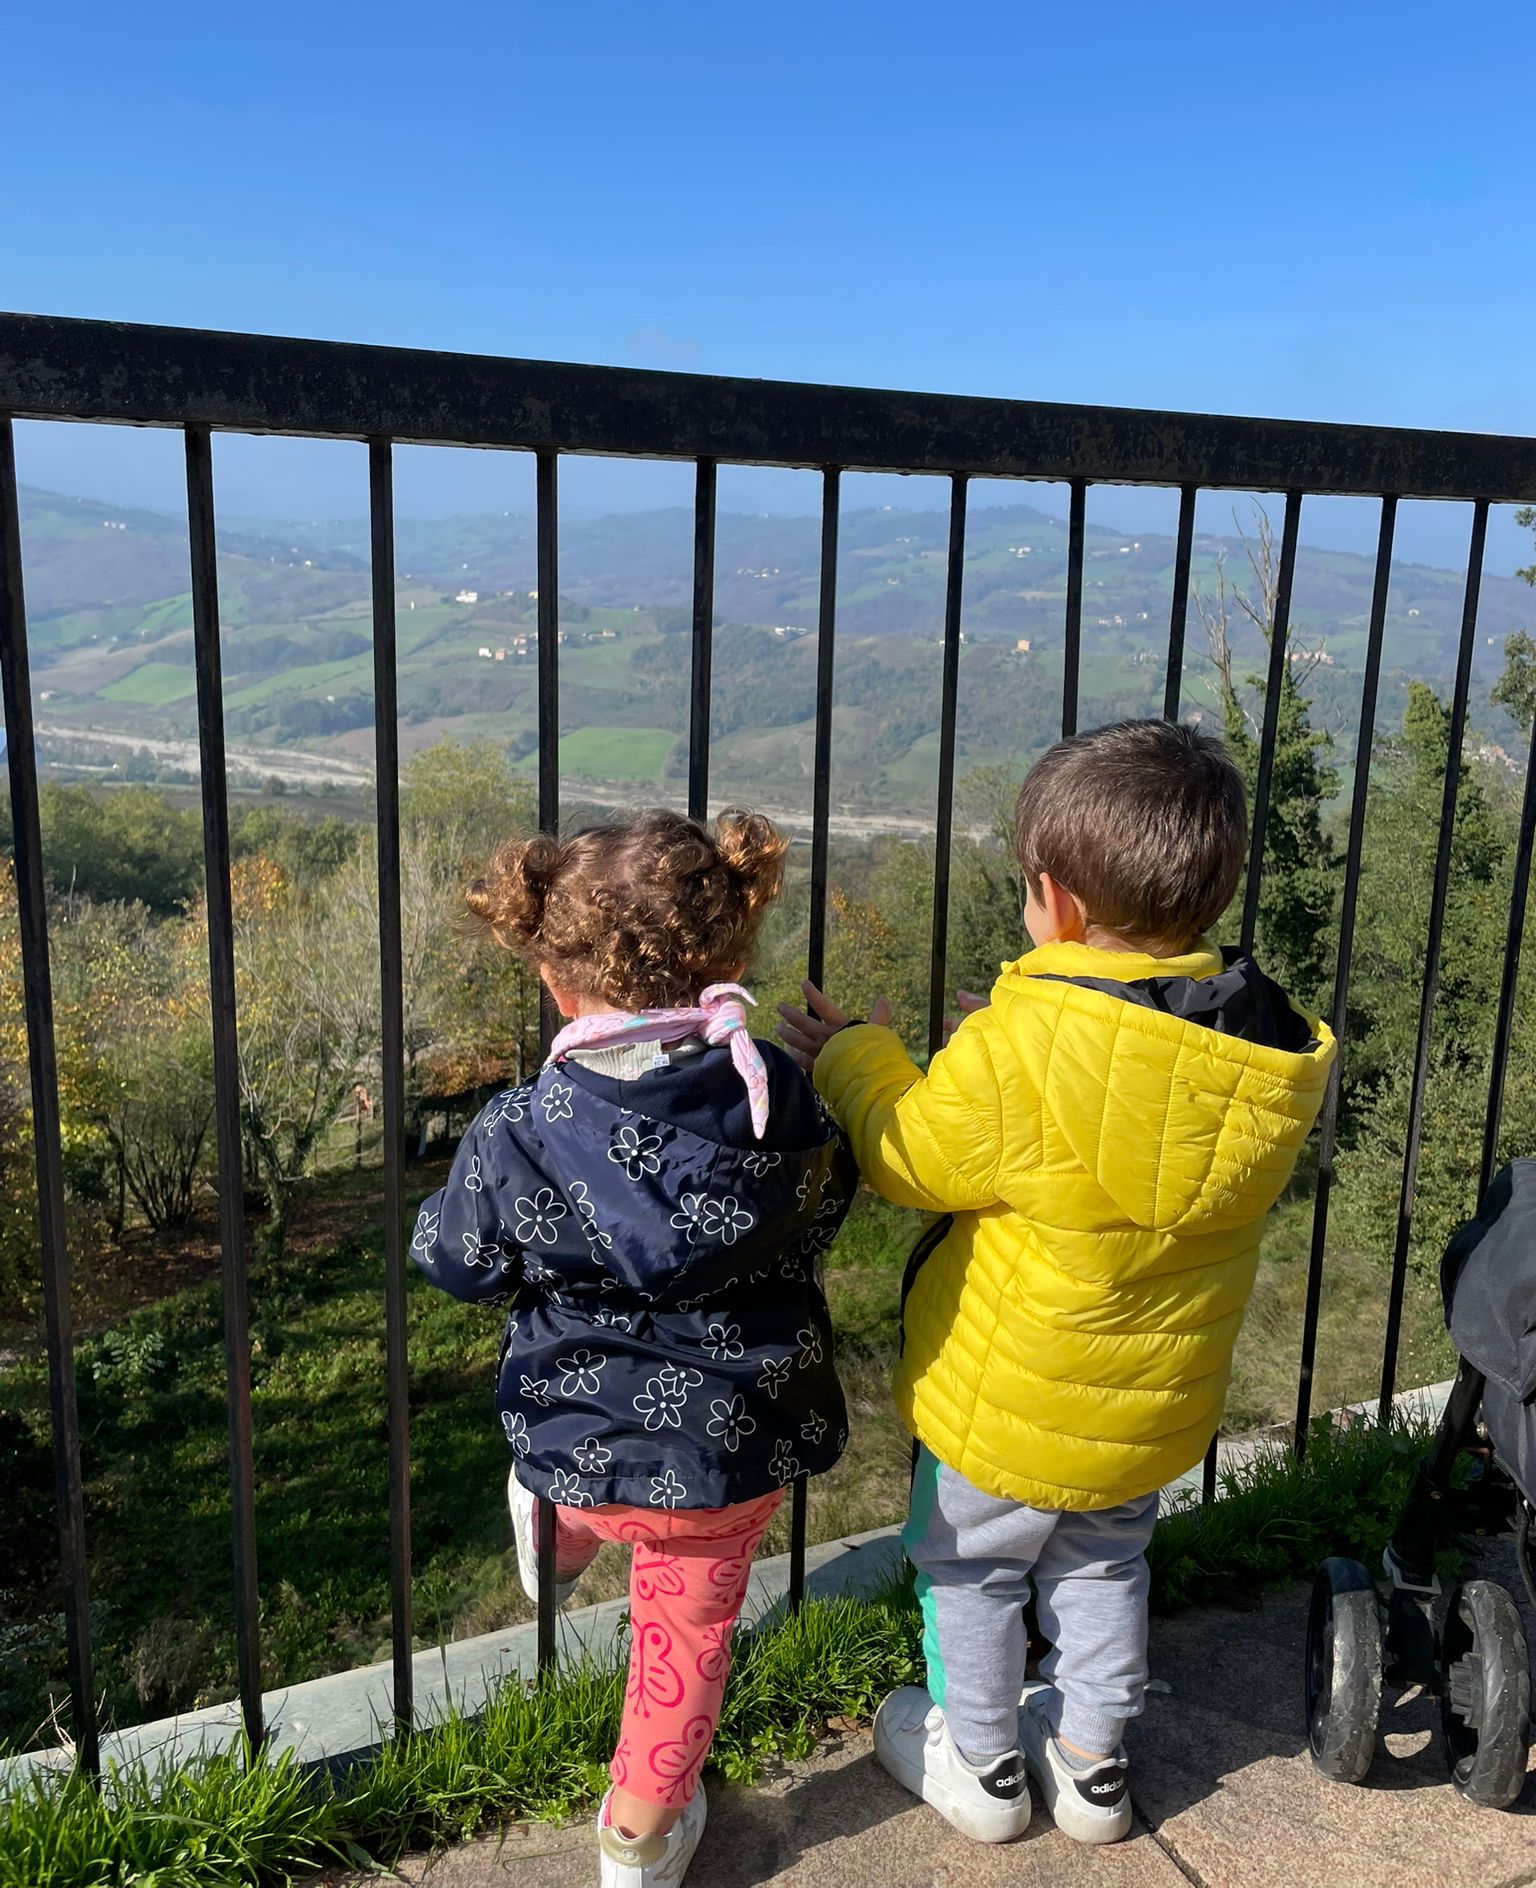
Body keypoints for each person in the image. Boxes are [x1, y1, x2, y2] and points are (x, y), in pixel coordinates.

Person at [778, 719, 1335, 1847]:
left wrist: (855, 1058)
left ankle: (983, 1764)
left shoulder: (1024, 1045)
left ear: (1059, 904)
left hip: (1005, 1406)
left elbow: (910, 1157)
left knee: (973, 1571)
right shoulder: (1261, 1046)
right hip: (1149, 1409)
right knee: (1106, 1562)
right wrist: (1001, 1063)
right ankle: (1091, 1769)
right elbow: (1125, 1118)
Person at [412, 807, 856, 1888]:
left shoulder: (521, 1127)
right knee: (683, 1647)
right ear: (728, 955)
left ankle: (557, 1530)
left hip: (579, 1431)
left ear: (556, 979)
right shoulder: (776, 1094)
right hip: (729, 1448)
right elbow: (826, 1202)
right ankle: (640, 1838)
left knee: (572, 1485)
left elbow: (457, 1261)